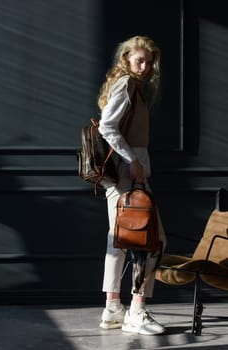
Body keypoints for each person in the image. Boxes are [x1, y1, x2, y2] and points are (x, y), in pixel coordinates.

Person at [97, 35, 167, 335]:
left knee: (121, 241)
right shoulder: (125, 84)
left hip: (122, 176)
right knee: (152, 241)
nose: (145, 66)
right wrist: (132, 160)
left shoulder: (128, 84)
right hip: (129, 176)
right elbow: (106, 127)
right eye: (140, 60)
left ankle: (113, 308)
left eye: (149, 62)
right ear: (125, 59)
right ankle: (136, 311)